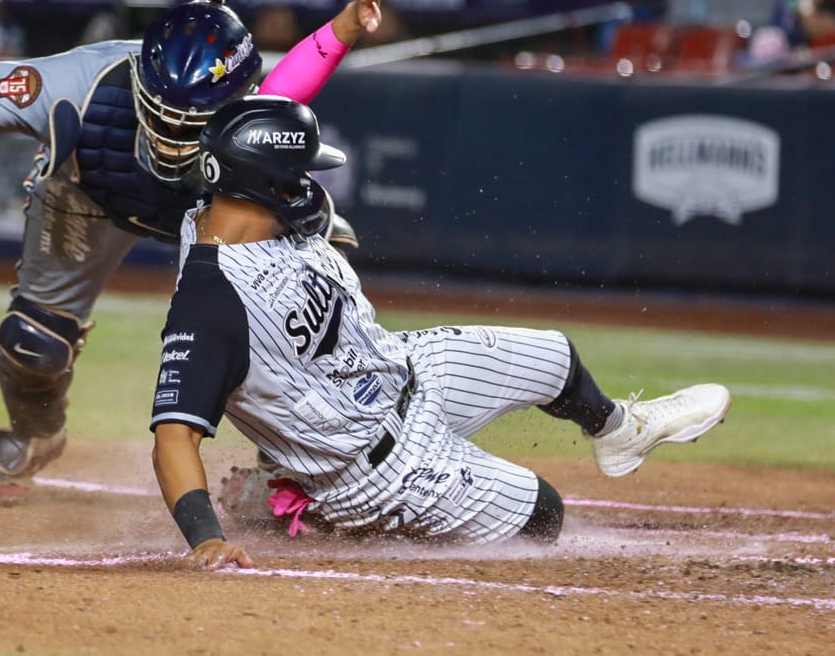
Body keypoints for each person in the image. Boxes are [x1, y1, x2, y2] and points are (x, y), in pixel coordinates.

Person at [0, 0, 414, 506]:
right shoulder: (78, 80)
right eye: (163, 112)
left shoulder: (256, 97)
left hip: (214, 207)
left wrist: (349, 16)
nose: (173, 131)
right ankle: (35, 433)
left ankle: (291, 463)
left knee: (322, 246)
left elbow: (307, 64)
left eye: (192, 118)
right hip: (91, 196)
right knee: (32, 343)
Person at [148, 95, 732, 570]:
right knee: (542, 514)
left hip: (404, 369)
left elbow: (251, 136)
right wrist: (205, 540)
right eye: (297, 172)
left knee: (558, 359)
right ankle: (325, 510)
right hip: (372, 464)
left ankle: (622, 432)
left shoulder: (234, 209)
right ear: (265, 183)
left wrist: (343, 31)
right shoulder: (211, 303)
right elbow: (174, 435)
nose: (308, 182)